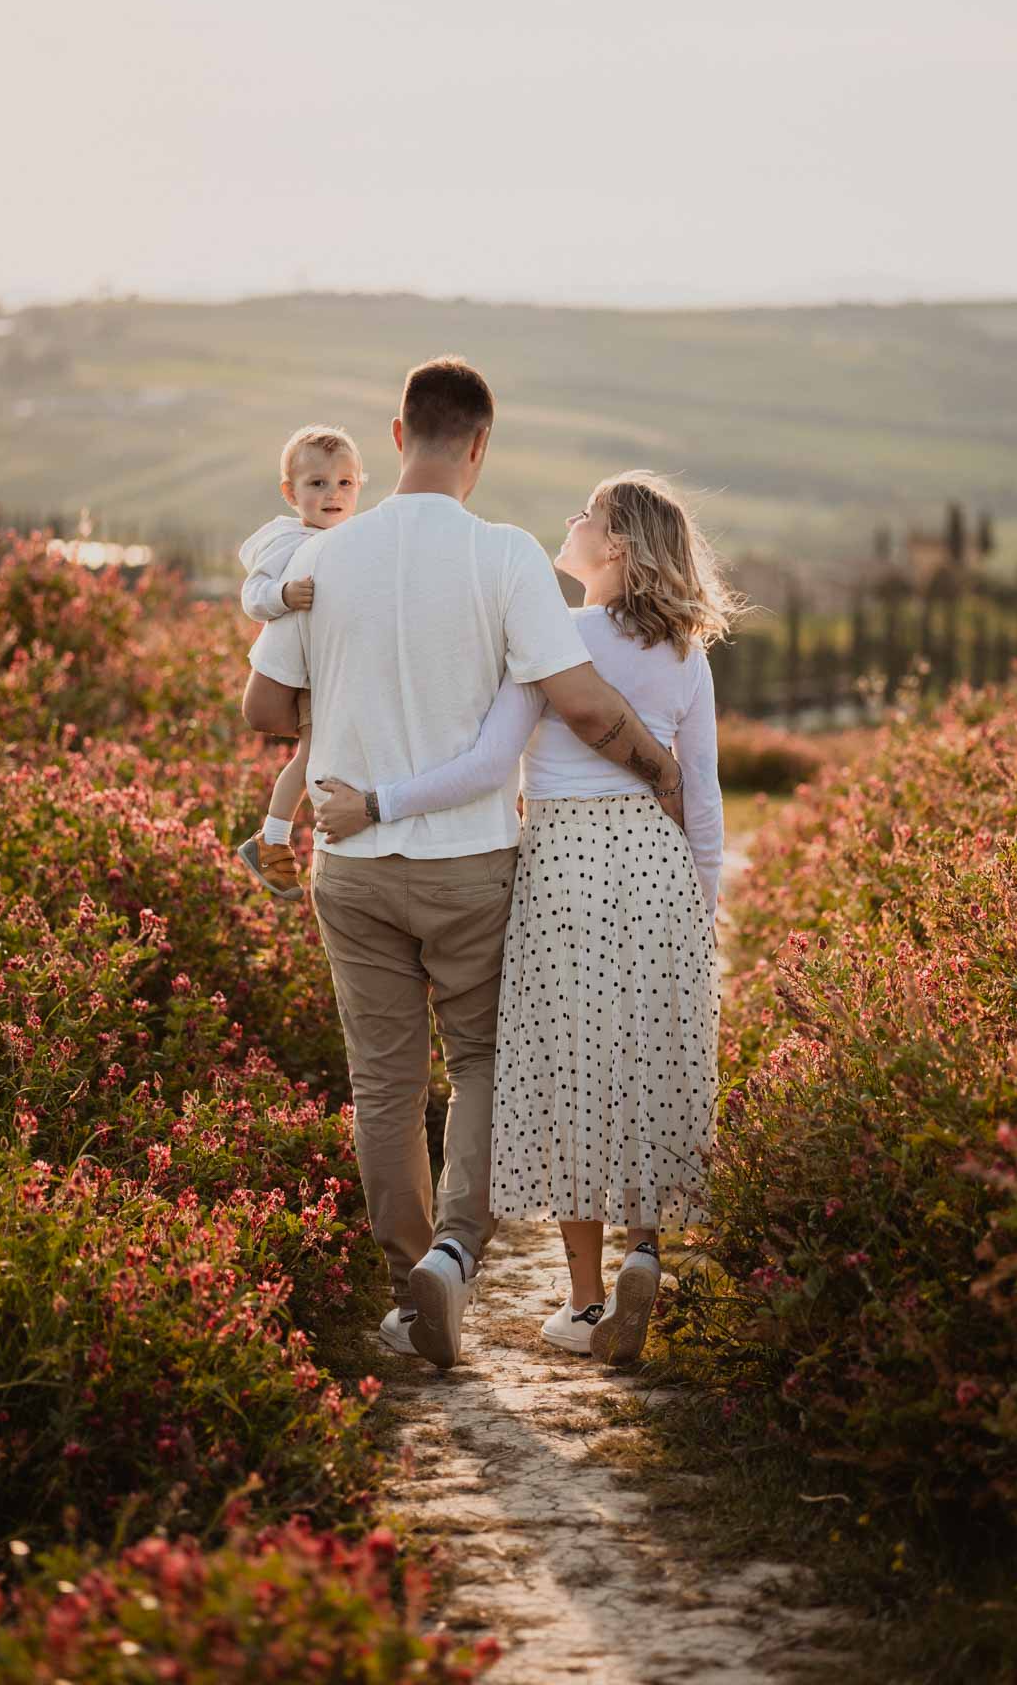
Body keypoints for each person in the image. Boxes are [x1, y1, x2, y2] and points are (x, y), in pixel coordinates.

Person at [241, 359, 685, 1370]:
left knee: (382, 1081)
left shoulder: (322, 560)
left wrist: (346, 705)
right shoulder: (505, 556)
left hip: (351, 867)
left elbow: (264, 715)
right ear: (478, 445)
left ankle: (411, 1298)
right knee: (477, 1060)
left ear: (396, 437)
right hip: (472, 865)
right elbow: (579, 704)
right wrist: (659, 771)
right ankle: (454, 1251)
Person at [316, 471, 735, 1366]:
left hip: (565, 866)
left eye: (587, 514)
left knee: (573, 1073)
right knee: (649, 1056)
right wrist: (704, 904)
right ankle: (646, 1252)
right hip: (657, 868)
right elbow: (701, 792)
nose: (571, 521)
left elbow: (485, 765)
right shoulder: (688, 655)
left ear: (614, 546)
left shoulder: (556, 636)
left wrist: (378, 800)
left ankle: (586, 1307)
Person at [234, 424, 365, 900]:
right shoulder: (286, 540)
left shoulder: (356, 539)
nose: (333, 494)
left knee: (328, 754)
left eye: (345, 483)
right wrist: (283, 595)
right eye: (317, 484)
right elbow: (252, 597)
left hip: (334, 670)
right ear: (291, 493)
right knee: (311, 756)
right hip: (307, 676)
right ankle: (271, 840)